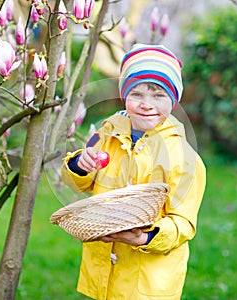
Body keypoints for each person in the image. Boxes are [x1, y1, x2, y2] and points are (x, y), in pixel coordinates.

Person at [61, 43, 206, 300]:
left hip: (148, 279)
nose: (146, 104)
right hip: (105, 264)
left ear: (174, 101)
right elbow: (79, 184)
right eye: (136, 94)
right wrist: (80, 165)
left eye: (159, 95)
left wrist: (145, 237)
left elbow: (183, 223)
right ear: (124, 96)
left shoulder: (183, 158)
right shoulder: (106, 135)